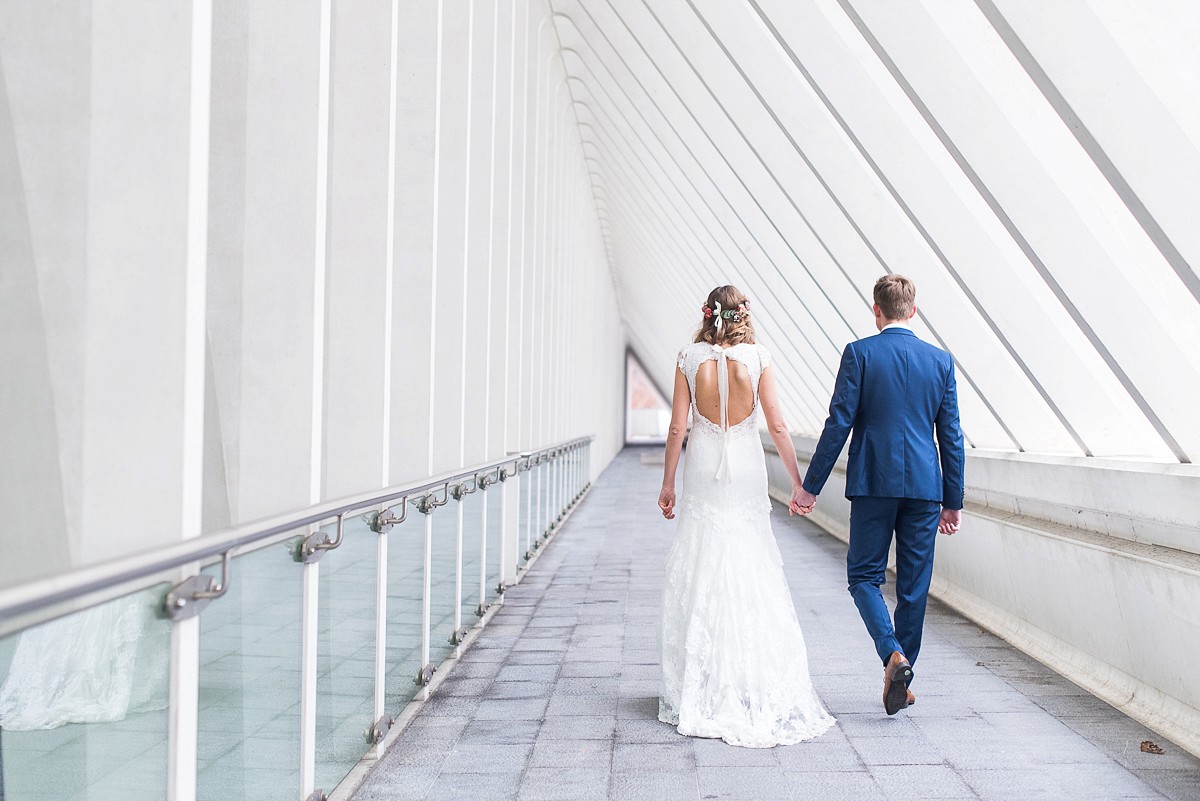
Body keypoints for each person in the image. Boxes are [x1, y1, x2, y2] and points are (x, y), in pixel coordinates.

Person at [657, 285, 835, 748]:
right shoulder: (759, 357)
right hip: (746, 467)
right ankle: (749, 677)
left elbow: (678, 426)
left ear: (708, 313)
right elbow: (776, 423)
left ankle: (704, 681)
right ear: (743, 314)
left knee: (703, 562)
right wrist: (799, 484)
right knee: (751, 561)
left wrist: (668, 483)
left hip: (703, 467)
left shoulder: (687, 358)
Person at [796, 274, 964, 715]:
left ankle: (893, 656)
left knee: (864, 576)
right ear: (914, 310)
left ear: (877, 311)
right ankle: (902, 670)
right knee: (913, 585)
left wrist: (810, 487)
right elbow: (951, 436)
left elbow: (838, 424)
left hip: (874, 482)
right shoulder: (941, 361)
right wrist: (953, 500)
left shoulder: (860, 354)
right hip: (926, 488)